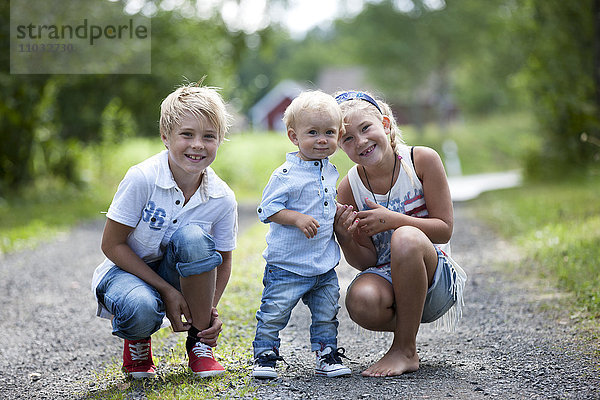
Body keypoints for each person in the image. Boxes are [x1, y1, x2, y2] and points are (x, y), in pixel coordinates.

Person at [91, 82, 237, 379]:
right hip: (125, 272)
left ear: (220, 141)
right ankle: (138, 341)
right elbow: (112, 244)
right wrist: (168, 291)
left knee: (195, 237)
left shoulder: (222, 197)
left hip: (177, 272)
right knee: (140, 308)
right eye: (187, 134)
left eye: (209, 136)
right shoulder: (142, 178)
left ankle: (199, 344)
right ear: (165, 137)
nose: (198, 145)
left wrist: (207, 315)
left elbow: (223, 260)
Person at [333, 90, 467, 377]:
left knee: (404, 237)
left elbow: (444, 230)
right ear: (339, 145)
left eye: (365, 128)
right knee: (359, 300)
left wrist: (393, 220)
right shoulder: (349, 188)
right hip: (388, 280)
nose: (361, 142)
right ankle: (406, 324)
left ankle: (405, 348)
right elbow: (368, 262)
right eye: (348, 138)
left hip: (435, 280)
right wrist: (344, 237)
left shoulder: (421, 161)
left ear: (385, 123)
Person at [252, 90, 351, 379]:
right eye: (313, 133)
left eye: (329, 132)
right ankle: (265, 355)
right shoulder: (285, 174)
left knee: (326, 313)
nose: (322, 139)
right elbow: (266, 209)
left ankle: (326, 354)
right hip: (287, 265)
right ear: (294, 137)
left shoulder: (331, 171)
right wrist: (295, 218)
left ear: (339, 134)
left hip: (323, 264)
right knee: (274, 312)